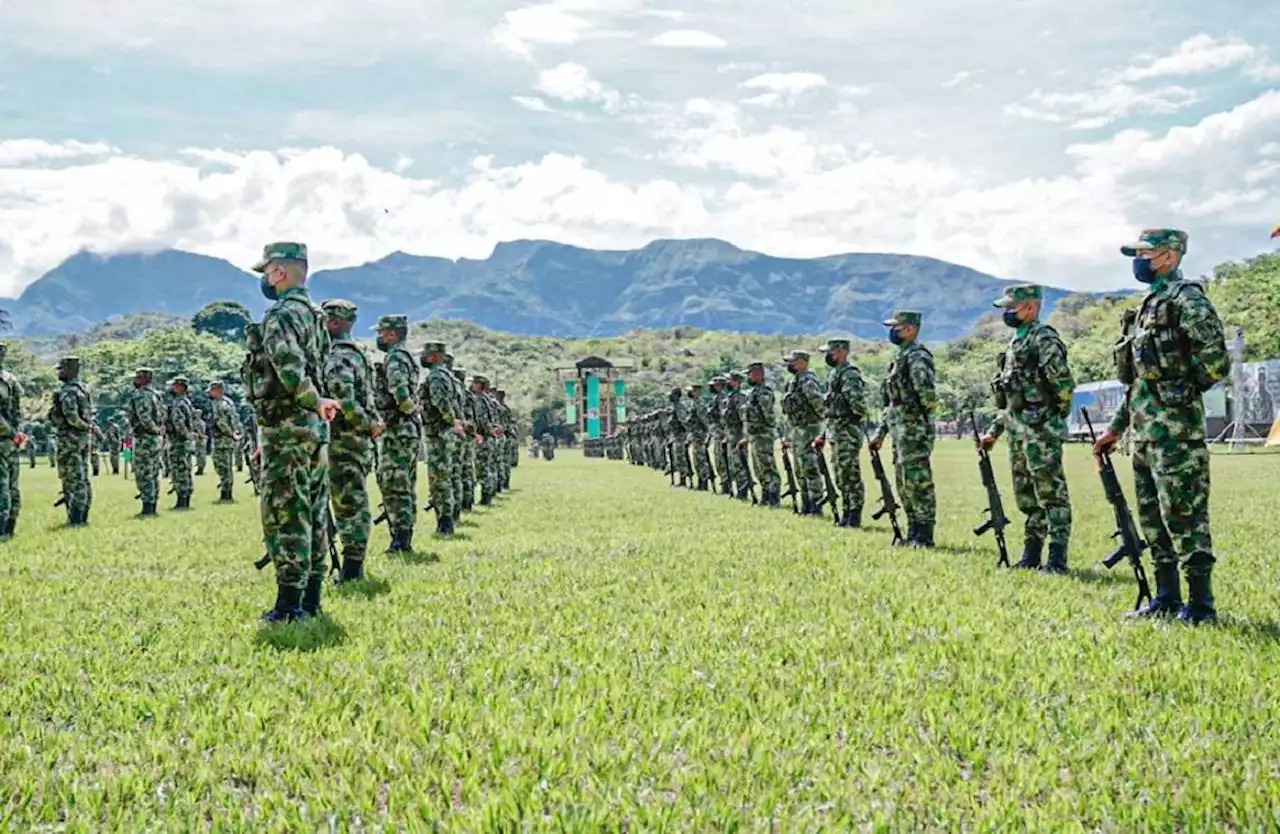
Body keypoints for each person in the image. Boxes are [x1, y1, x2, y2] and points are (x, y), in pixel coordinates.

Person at [1093, 229, 1229, 624]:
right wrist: (1115, 429)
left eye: (1145, 254)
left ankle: (1201, 608)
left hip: (1176, 434)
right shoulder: (1147, 306)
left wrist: (1180, 394)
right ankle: (1167, 600)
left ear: (1169, 257)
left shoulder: (1187, 299)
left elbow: (1216, 360)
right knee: (1152, 520)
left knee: (1185, 518)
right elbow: (1138, 381)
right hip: (1143, 436)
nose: (1138, 261)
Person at [247, 241, 340, 622]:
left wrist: (311, 400)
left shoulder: (281, 314)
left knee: (286, 514)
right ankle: (312, 599)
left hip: (289, 427)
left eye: (268, 271)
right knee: (315, 512)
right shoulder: (315, 316)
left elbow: (288, 369)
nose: (266, 279)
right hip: (312, 432)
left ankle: (289, 606)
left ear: (280, 272)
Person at [980, 285, 1075, 573]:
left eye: (1012, 307)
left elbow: (1063, 385)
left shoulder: (1043, 339)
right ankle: (1031, 553)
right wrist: (994, 432)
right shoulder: (1015, 343)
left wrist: (1049, 418)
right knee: (1027, 496)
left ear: (1031, 307)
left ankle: (1057, 558)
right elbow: (1011, 398)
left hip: (1040, 431)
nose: (1007, 313)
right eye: (1005, 308)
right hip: (1017, 431)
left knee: (1051, 494)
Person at [321, 298, 381, 582]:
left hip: (343, 439)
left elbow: (343, 398)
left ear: (333, 322)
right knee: (354, 498)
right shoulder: (359, 352)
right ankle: (353, 565)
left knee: (348, 501)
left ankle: (352, 570)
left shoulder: (338, 355)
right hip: (357, 440)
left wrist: (366, 424)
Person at [868, 311, 937, 548]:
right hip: (899, 429)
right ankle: (913, 530)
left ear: (910, 329)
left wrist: (918, 420)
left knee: (919, 481)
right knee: (904, 482)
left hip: (914, 428)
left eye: (896, 327)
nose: (892, 332)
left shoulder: (917, 356)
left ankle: (925, 534)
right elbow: (891, 402)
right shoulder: (899, 357)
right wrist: (881, 432)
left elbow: (927, 395)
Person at [372, 314, 420, 553]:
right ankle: (404, 533)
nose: (378, 337)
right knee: (405, 482)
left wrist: (408, 410)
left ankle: (401, 540)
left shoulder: (394, 358)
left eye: (381, 332)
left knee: (394, 483)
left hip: (398, 427)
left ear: (392, 334)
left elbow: (399, 390)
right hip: (406, 427)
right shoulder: (406, 357)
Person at [819, 337, 867, 528]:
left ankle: (854, 513)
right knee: (840, 473)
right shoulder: (834, 374)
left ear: (841, 351)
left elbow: (858, 404)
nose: (827, 356)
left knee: (850, 473)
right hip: (836, 430)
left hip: (847, 430)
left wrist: (850, 420)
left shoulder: (849, 374)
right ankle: (846, 510)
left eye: (830, 352)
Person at [419, 341, 464, 535]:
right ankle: (448, 517)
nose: (423, 357)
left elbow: (440, 402)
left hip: (438, 433)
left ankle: (445, 522)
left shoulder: (436, 376)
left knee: (439, 479)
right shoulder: (448, 376)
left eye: (426, 354)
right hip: (443, 432)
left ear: (434, 356)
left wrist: (452, 421)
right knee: (446, 476)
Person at [48, 356, 92, 526]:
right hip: (81, 439)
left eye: (62, 369)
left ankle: (75, 518)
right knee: (83, 477)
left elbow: (71, 416)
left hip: (69, 439)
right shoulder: (83, 389)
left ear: (70, 370)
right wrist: (87, 427)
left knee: (72, 479)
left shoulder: (67, 391)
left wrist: (82, 426)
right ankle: (83, 514)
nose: (59, 372)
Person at [781, 350, 826, 515]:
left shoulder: (807, 380)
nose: (789, 365)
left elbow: (819, 404)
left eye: (792, 362)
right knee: (799, 468)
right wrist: (787, 435)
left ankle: (816, 503)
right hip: (797, 429)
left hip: (809, 428)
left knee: (810, 467)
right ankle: (806, 503)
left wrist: (822, 429)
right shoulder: (794, 382)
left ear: (802, 362)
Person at [125, 367, 164, 516]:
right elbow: (162, 414)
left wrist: (153, 429)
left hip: (144, 438)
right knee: (153, 472)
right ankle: (152, 504)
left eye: (137, 378)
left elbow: (144, 417)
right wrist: (159, 430)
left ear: (143, 379)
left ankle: (147, 507)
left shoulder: (140, 395)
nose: (134, 380)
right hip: (154, 439)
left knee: (144, 473)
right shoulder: (155, 394)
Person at [741, 362, 780, 506]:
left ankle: (773, 497)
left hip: (763, 434)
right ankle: (766, 495)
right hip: (755, 435)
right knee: (759, 468)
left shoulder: (764, 392)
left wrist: (766, 430)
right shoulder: (754, 392)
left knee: (768, 467)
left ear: (758, 374)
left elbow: (768, 414)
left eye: (749, 374)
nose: (748, 377)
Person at [0, 344, 24, 538]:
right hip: (12, 440)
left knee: (3, 486)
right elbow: (17, 412)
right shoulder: (11, 379)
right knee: (12, 485)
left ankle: (2, 530)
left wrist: (10, 431)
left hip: (3, 437)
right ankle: (10, 526)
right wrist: (16, 432)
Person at [165, 376, 197, 510]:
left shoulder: (178, 403)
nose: (171, 388)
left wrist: (186, 435)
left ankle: (182, 501)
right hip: (185, 442)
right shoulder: (186, 402)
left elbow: (178, 423)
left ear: (180, 387)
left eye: (174, 386)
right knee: (186, 469)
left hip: (179, 442)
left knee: (179, 470)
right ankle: (185, 498)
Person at [208, 381, 240, 503]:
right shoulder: (228, 402)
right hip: (226, 440)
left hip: (222, 440)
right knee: (225, 467)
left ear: (218, 390)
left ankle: (226, 494)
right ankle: (226, 492)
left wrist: (231, 434)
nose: (210, 393)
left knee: (223, 467)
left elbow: (221, 422)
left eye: (212, 390)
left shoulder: (219, 404)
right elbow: (235, 420)